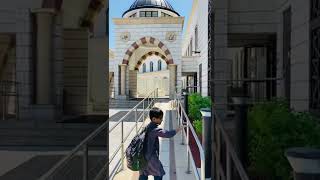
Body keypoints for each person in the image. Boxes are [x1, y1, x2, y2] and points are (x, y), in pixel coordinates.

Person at [139, 107, 184, 180]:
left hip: (142, 156)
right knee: (159, 173)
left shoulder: (147, 127)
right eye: (160, 118)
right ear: (154, 119)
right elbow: (168, 134)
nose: (162, 120)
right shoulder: (154, 129)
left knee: (144, 175)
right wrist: (179, 128)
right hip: (150, 157)